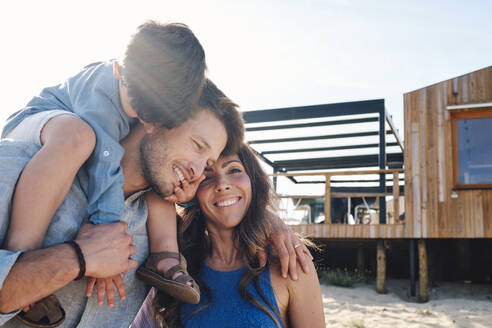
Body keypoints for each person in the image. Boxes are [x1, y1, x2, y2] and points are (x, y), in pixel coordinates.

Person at [0, 81, 310, 328]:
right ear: (157, 117)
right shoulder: (20, 171)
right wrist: (75, 258)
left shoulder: (160, 240)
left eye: (209, 161)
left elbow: (219, 207)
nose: (199, 170)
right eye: (197, 145)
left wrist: (270, 220)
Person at [1, 20, 208, 325]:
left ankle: (167, 256)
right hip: (39, 124)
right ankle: (22, 251)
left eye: (160, 118)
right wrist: (106, 230)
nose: (149, 125)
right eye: (144, 114)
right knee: (79, 137)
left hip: (74, 136)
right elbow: (105, 162)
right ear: (118, 72)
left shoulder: (147, 93)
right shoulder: (103, 95)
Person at [137, 144, 325, 328]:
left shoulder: (289, 261)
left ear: (253, 181)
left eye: (234, 170)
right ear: (191, 194)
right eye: (206, 176)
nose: (222, 184)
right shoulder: (176, 267)